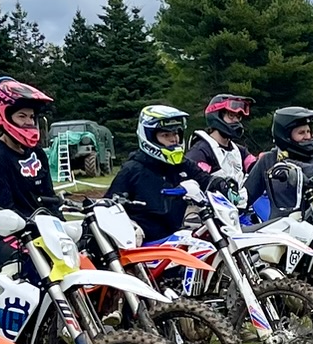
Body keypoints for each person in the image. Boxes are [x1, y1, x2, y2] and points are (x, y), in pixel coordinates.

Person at [0, 77, 58, 256]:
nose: (29, 122)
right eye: (21, 116)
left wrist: (58, 224)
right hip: (13, 233)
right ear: (5, 116)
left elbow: (49, 196)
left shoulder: (37, 152)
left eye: (31, 116)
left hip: (44, 229)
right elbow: (5, 205)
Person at [107, 104, 196, 242]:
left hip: (176, 238)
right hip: (143, 245)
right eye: (166, 135)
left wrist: (224, 184)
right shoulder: (132, 169)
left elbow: (205, 179)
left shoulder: (183, 164)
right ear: (150, 137)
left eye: (176, 133)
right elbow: (107, 207)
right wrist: (130, 224)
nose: (174, 139)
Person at [245, 106, 313, 222]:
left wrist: (288, 165)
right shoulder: (268, 160)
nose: (307, 136)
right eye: (301, 132)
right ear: (286, 135)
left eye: (308, 131)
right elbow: (247, 195)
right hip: (281, 228)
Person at [188, 93, 254, 191]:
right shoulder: (201, 151)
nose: (236, 121)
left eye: (238, 117)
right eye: (231, 115)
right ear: (216, 116)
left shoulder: (240, 151)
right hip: (210, 205)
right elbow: (197, 178)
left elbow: (257, 168)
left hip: (242, 204)